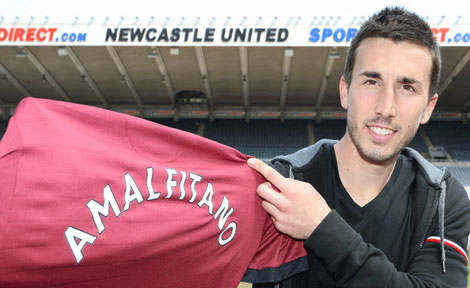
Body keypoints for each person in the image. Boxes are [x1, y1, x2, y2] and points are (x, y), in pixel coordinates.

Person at [247, 7, 470, 288]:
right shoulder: (283, 182)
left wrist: (324, 229)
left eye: (407, 87)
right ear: (345, 91)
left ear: (428, 108)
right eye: (371, 81)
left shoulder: (441, 198)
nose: (386, 108)